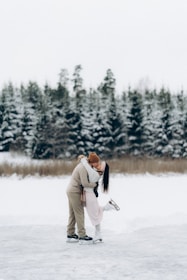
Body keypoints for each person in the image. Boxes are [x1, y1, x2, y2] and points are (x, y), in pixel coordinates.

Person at [79, 152, 120, 243]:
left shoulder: (96, 174)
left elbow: (88, 168)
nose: (98, 165)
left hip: (90, 196)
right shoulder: (96, 171)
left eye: (100, 164)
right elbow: (90, 166)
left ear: (103, 169)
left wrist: (83, 160)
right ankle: (108, 206)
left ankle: (98, 234)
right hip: (89, 195)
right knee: (95, 212)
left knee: (94, 215)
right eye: (98, 163)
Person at [66, 156, 98, 244]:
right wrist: (94, 185)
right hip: (74, 191)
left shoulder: (82, 165)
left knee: (73, 213)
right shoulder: (83, 167)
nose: (96, 165)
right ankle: (82, 235)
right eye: (96, 163)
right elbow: (85, 183)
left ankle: (70, 234)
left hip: (71, 190)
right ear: (92, 162)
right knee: (79, 212)